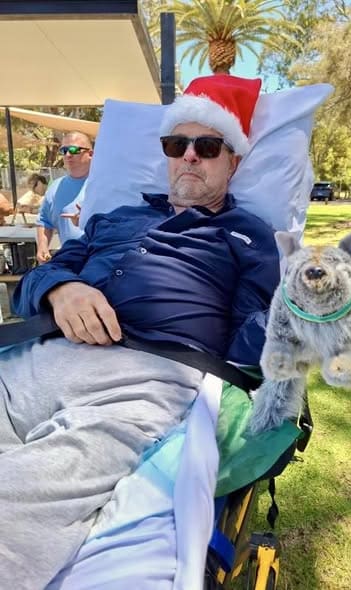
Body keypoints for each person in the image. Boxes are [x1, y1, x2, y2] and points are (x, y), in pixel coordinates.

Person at [0, 74, 280, 589]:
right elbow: (33, 283)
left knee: (17, 500)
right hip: (39, 355)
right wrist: (62, 289)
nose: (189, 155)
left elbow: (252, 339)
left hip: (142, 383)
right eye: (178, 144)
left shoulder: (249, 236)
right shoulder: (114, 218)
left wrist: (304, 317)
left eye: (207, 146)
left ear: (233, 162)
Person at [35, 131, 93, 263]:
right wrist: (42, 246)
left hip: (101, 261)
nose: (68, 155)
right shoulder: (55, 187)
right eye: (64, 150)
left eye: (73, 150)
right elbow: (44, 221)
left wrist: (88, 220)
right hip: (69, 262)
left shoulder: (105, 185)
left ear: (90, 154)